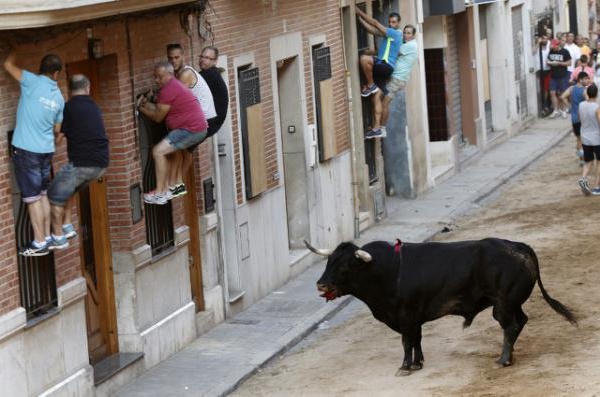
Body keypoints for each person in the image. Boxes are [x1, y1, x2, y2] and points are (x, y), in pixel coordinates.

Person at [3, 51, 65, 256]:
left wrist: (16, 47)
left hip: (27, 150)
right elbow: (58, 132)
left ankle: (39, 241)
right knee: (44, 194)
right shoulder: (59, 97)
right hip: (46, 152)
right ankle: (46, 236)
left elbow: (8, 65)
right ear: (56, 74)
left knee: (32, 198)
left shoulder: (31, 81)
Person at [46, 74, 109, 249]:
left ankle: (58, 237)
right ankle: (67, 225)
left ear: (69, 89)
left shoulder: (68, 109)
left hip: (81, 165)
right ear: (88, 87)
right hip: (101, 165)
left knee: (52, 197)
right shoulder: (95, 107)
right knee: (69, 189)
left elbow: (58, 139)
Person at [138, 61, 208, 205]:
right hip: (194, 128)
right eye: (155, 77)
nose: (156, 80)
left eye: (160, 77)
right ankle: (169, 188)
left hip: (190, 129)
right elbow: (160, 109)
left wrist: (140, 107)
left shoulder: (168, 90)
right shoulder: (172, 86)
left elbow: (158, 117)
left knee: (158, 152)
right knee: (172, 155)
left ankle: (160, 193)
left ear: (170, 75)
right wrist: (146, 104)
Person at [166, 43, 216, 198]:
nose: (173, 61)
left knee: (176, 147)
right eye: (170, 58)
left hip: (204, 119)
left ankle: (176, 184)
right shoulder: (178, 75)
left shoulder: (186, 74)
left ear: (183, 57)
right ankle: (177, 184)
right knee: (185, 151)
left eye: (177, 57)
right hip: (200, 119)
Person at [355, 8, 402, 138]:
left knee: (364, 59)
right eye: (389, 22)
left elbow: (375, 23)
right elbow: (372, 30)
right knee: (376, 98)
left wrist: (359, 12)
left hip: (384, 66)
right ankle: (377, 129)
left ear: (398, 24)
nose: (391, 24)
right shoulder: (390, 35)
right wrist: (359, 20)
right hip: (385, 70)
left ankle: (370, 84)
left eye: (393, 22)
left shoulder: (395, 33)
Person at [375, 24, 418, 139]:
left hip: (397, 80)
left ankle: (382, 129)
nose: (405, 35)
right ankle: (379, 127)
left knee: (385, 103)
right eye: (405, 32)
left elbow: (394, 51)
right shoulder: (409, 44)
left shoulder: (410, 46)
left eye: (409, 33)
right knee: (382, 100)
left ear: (413, 35)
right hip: (396, 78)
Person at [561, 72, 590, 166]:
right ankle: (584, 159)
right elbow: (588, 103)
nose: (587, 80)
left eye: (587, 78)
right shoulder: (585, 91)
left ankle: (581, 159)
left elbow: (562, 97)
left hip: (574, 118)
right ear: (580, 79)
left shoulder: (571, 88)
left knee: (578, 139)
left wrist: (570, 107)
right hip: (582, 118)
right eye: (585, 79)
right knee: (584, 140)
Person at [577, 84, 600, 195]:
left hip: (585, 137)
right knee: (599, 163)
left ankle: (583, 178)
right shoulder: (597, 107)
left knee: (588, 161)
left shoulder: (581, 105)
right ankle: (596, 187)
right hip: (597, 138)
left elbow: (579, 118)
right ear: (596, 94)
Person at [547, 38, 572, 119]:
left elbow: (569, 63)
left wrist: (559, 63)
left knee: (562, 94)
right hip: (553, 76)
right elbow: (548, 59)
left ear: (558, 45)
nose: (553, 48)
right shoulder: (551, 51)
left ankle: (564, 110)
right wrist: (549, 62)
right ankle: (556, 110)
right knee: (552, 93)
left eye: (554, 46)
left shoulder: (565, 51)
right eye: (552, 46)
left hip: (562, 76)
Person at [536, 34, 552, 115]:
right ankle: (543, 105)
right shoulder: (538, 47)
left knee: (546, 88)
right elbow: (533, 52)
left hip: (547, 70)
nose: (545, 40)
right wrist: (537, 43)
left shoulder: (549, 46)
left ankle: (545, 105)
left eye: (546, 39)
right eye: (543, 39)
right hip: (539, 70)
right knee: (541, 88)